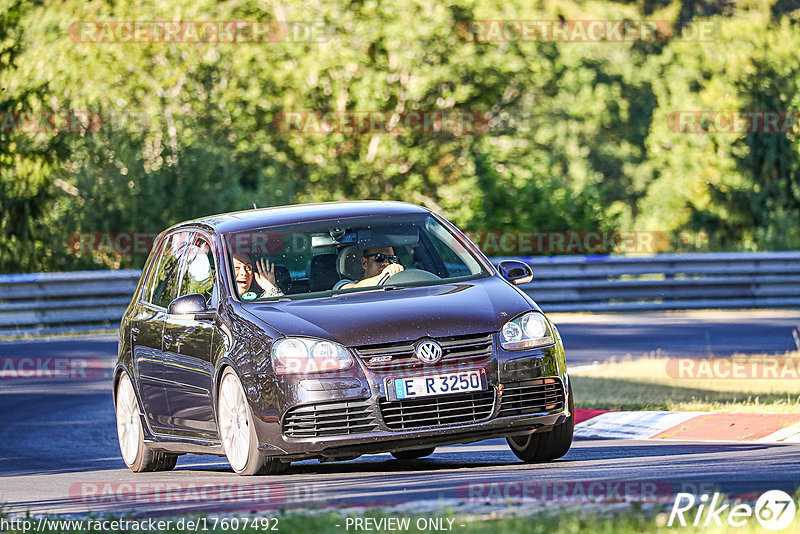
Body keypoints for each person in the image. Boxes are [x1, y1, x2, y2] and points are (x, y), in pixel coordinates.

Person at [334, 246, 405, 290]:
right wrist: (384, 276)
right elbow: (350, 291)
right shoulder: (344, 284)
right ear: (364, 262)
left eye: (392, 258)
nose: (387, 263)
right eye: (380, 257)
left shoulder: (401, 283)